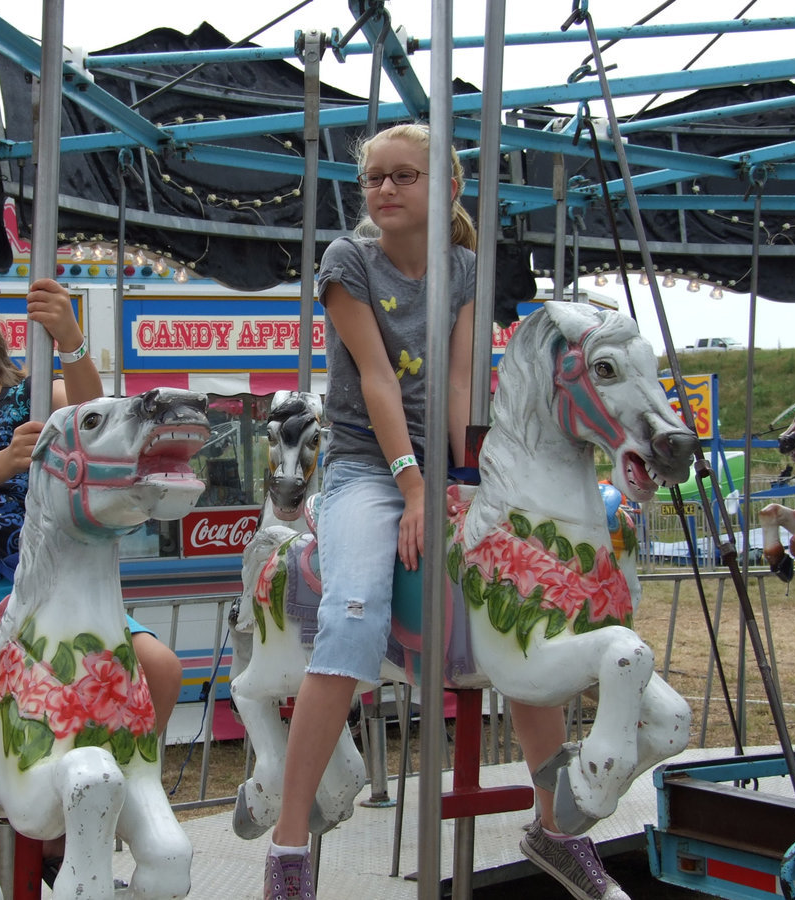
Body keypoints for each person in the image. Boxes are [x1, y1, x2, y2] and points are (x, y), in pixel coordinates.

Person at [262, 122, 626, 900]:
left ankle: (554, 827)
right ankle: (288, 847)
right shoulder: (348, 262)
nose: (385, 190)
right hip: (367, 466)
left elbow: (461, 381)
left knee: (526, 608)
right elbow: (380, 379)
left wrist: (468, 476)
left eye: (404, 177)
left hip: (441, 465)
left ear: (448, 189)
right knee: (354, 615)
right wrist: (418, 485)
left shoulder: (464, 268)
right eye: (375, 179)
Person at [0, 281, 183, 900]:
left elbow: (99, 421)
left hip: (50, 578)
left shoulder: (35, 396)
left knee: (160, 666)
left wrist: (70, 341)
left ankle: (81, 824)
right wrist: (9, 460)